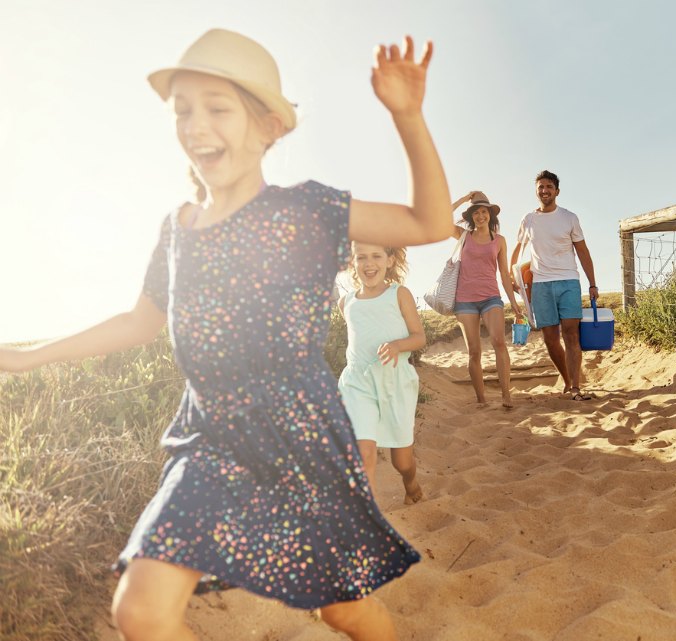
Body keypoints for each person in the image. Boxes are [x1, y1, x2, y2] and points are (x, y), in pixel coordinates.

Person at [0, 28, 450, 641]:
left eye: (217, 108)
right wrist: (29, 357)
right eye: (183, 110)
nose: (195, 124)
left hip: (300, 441)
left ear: (268, 126)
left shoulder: (307, 211)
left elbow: (428, 221)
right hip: (207, 439)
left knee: (342, 609)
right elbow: (139, 321)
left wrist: (408, 116)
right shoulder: (176, 230)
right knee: (141, 610)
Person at [338, 242, 424, 505]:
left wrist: (397, 346)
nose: (369, 263)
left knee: (402, 461)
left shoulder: (399, 294)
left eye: (376, 256)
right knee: (364, 454)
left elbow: (419, 337)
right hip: (357, 382)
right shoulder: (347, 302)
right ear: (352, 262)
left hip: (394, 382)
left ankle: (411, 486)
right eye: (361, 257)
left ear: (390, 260)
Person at [510, 170, 598, 401]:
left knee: (571, 334)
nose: (544, 190)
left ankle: (576, 386)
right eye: (540, 187)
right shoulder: (528, 219)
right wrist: (513, 277)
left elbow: (583, 251)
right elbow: (517, 250)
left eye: (549, 186)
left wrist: (592, 283)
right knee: (550, 338)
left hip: (568, 280)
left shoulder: (569, 218)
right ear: (536, 191)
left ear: (557, 191)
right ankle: (567, 380)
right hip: (540, 284)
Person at [450, 191, 523, 408]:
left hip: (491, 297)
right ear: (471, 216)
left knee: (499, 342)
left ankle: (506, 396)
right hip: (465, 300)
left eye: (484, 211)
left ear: (490, 214)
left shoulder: (499, 241)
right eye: (476, 212)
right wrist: (464, 199)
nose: (480, 216)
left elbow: (503, 274)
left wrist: (515, 304)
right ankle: (481, 400)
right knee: (474, 351)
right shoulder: (463, 236)